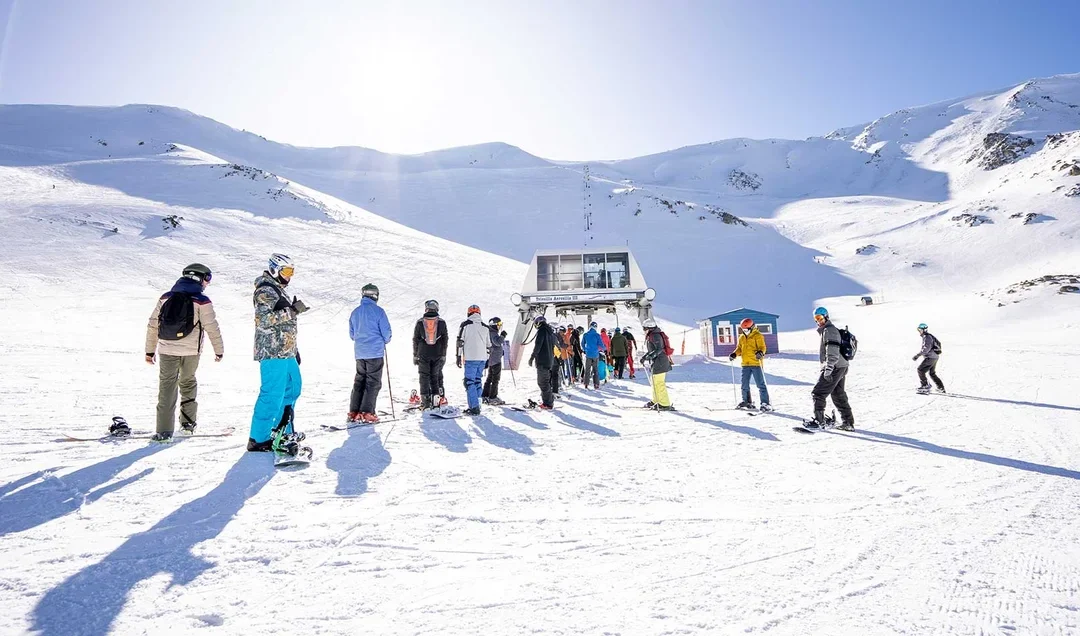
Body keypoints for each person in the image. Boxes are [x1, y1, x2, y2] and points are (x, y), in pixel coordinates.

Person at [144, 263, 224, 441]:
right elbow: (212, 328)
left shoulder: (165, 297)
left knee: (167, 388)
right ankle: (188, 425)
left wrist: (149, 351)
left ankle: (163, 432)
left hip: (166, 350)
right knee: (188, 383)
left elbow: (153, 325)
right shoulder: (202, 301)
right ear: (199, 278)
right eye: (207, 279)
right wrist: (219, 351)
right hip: (191, 353)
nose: (207, 283)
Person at [249, 254, 308, 452]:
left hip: (285, 351)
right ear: (274, 269)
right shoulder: (265, 290)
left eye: (291, 272)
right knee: (272, 393)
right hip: (272, 350)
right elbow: (263, 321)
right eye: (286, 271)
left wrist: (294, 349)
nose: (289, 276)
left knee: (293, 388)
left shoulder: (278, 290)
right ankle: (259, 438)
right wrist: (293, 311)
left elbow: (284, 326)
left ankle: (282, 430)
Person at [348, 283, 392, 423]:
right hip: (374, 352)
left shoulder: (355, 312)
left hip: (360, 353)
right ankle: (367, 412)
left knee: (360, 381)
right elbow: (386, 332)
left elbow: (352, 334)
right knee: (372, 382)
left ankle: (354, 412)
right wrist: (385, 340)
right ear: (375, 296)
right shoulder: (378, 311)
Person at [807, 306, 854, 430]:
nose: (818, 321)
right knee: (838, 394)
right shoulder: (828, 330)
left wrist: (828, 369)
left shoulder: (829, 330)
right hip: (840, 366)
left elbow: (832, 352)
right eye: (816, 319)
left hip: (835, 367)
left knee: (818, 393)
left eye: (820, 318)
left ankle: (819, 421)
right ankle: (848, 423)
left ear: (826, 317)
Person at [728, 317, 772, 411]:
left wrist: (760, 353)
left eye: (746, 329)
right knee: (744, 384)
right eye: (743, 329)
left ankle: (765, 403)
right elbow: (739, 348)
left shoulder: (758, 336)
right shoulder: (742, 337)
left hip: (756, 363)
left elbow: (762, 347)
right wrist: (734, 354)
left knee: (760, 384)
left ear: (752, 327)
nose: (745, 331)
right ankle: (747, 401)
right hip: (745, 364)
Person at [413, 299, 448, 410]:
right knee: (435, 376)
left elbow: (416, 339)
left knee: (424, 376)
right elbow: (445, 339)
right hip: (437, 353)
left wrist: (415, 355)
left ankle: (425, 402)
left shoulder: (420, 322)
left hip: (423, 353)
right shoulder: (441, 322)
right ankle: (436, 400)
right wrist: (443, 354)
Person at [456, 304, 492, 416]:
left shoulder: (465, 325)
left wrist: (458, 356)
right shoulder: (485, 327)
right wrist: (486, 359)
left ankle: (474, 407)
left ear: (469, 313)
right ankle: (477, 404)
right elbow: (488, 345)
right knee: (477, 381)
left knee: (469, 382)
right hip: (482, 358)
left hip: (471, 358)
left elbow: (460, 342)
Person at [640, 318, 675, 410]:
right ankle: (656, 400)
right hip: (657, 362)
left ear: (649, 327)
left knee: (659, 383)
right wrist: (645, 357)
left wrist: (649, 357)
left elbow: (659, 349)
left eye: (645, 328)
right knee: (654, 382)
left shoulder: (655, 336)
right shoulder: (652, 335)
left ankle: (664, 403)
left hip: (660, 362)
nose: (644, 330)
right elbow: (652, 350)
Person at [527, 315, 559, 409]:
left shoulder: (542, 331)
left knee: (543, 383)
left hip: (542, 361)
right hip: (549, 361)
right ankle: (548, 401)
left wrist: (532, 357)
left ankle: (548, 403)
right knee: (545, 382)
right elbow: (555, 345)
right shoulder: (550, 332)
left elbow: (538, 345)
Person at [913, 323, 946, 394]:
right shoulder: (928, 336)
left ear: (923, 330)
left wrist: (918, 355)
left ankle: (925, 386)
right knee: (932, 373)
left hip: (930, 357)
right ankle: (941, 388)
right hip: (934, 357)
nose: (919, 331)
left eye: (920, 330)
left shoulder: (927, 337)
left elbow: (926, 349)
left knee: (920, 370)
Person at [482, 316, 506, 405]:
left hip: (493, 359)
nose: (500, 326)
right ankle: (493, 397)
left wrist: (500, 352)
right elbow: (497, 342)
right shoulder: (493, 333)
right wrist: (503, 336)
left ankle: (485, 394)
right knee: (495, 379)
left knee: (490, 378)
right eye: (498, 324)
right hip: (495, 361)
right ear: (494, 325)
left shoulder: (491, 332)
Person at [581, 322, 603, 389]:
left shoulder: (585, 335)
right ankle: (596, 384)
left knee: (587, 369)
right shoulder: (597, 335)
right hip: (595, 354)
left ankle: (586, 384)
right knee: (595, 369)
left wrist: (585, 350)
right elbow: (601, 345)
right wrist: (604, 349)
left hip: (588, 354)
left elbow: (582, 344)